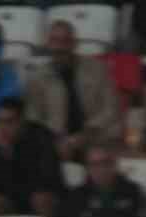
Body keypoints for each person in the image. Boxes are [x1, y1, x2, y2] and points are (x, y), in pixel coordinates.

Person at [27, 20, 120, 161]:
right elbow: (33, 119)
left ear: (74, 44)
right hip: (57, 145)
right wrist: (55, 140)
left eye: (65, 41)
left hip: (95, 139)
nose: (59, 47)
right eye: (55, 41)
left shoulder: (97, 69)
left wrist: (86, 133)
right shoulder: (38, 78)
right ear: (48, 44)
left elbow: (111, 108)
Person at [0, 98, 64, 217]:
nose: (3, 127)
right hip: (9, 196)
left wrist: (10, 155)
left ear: (21, 121)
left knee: (41, 199)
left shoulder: (41, 137)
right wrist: (4, 153)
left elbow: (46, 179)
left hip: (39, 193)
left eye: (9, 122)